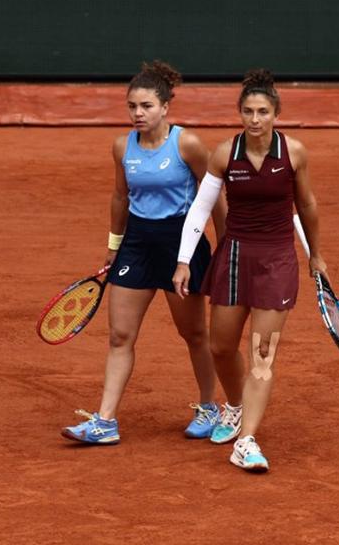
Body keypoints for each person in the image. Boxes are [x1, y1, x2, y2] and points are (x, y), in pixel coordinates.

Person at [61, 61, 226, 445]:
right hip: (137, 241)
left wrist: (225, 244)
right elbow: (121, 196)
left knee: (194, 333)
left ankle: (209, 405)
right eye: (132, 106)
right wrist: (113, 246)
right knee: (120, 335)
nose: (138, 113)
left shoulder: (186, 144)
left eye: (147, 105)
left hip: (180, 242)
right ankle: (105, 420)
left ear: (165, 107)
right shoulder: (122, 147)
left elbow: (211, 194)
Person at [172, 69, 327, 473]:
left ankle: (247, 441)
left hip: (277, 260)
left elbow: (306, 206)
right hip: (235, 257)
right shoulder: (225, 153)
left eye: (263, 111)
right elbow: (201, 209)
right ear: (240, 114)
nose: (255, 119)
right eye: (248, 111)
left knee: (261, 353)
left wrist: (316, 255)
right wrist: (184, 259)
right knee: (221, 347)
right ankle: (235, 406)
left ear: (276, 114)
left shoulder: (294, 152)